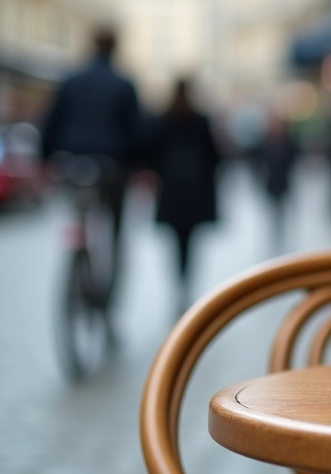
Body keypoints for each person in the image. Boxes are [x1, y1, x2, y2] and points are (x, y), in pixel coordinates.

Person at [40, 26, 143, 267]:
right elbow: (136, 131)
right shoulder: (123, 84)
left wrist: (45, 157)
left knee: (78, 211)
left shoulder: (72, 80)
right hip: (111, 163)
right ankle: (109, 282)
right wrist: (137, 164)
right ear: (115, 47)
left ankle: (77, 245)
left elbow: (52, 121)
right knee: (114, 227)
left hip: (72, 160)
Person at [149, 79, 220, 313]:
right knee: (190, 242)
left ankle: (179, 283)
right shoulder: (200, 120)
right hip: (195, 190)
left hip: (171, 190)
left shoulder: (164, 119)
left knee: (176, 242)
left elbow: (152, 154)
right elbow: (214, 156)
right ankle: (186, 284)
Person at [255, 114, 297, 253]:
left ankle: (281, 234)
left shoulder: (288, 142)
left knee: (282, 211)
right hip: (271, 183)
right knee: (273, 211)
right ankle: (275, 234)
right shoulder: (265, 143)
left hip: (283, 183)